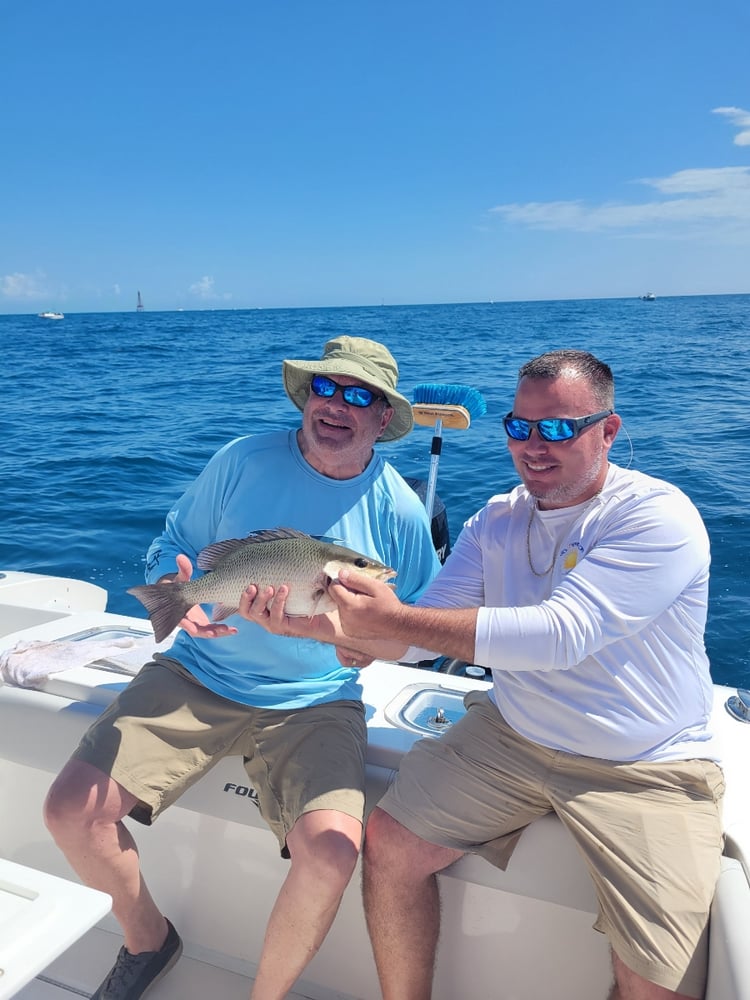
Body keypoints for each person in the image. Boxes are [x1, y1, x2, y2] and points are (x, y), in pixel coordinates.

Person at [242, 349, 724, 1000]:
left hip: (643, 762)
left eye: (557, 428)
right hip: (516, 734)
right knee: (388, 843)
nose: (533, 445)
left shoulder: (655, 517)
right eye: (518, 427)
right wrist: (321, 628)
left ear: (607, 431)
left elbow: (562, 634)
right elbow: (419, 638)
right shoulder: (494, 520)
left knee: (656, 980)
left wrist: (396, 622)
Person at [43, 335, 441, 1000]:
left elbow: (415, 626)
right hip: (198, 672)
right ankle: (148, 939)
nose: (338, 404)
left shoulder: (399, 506)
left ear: (382, 418)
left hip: (315, 699)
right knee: (68, 810)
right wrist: (179, 592)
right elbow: (175, 543)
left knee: (334, 851)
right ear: (308, 396)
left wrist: (366, 643)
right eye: (327, 388)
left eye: (360, 395)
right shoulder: (243, 459)